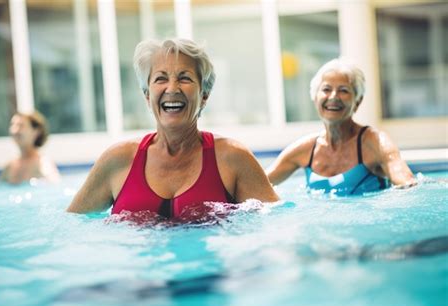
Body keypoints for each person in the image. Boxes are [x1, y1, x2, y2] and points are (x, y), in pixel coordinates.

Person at [67, 38, 279, 219]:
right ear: (147, 96)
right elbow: (71, 227)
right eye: (160, 78)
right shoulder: (117, 160)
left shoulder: (233, 158)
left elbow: (275, 222)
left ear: (204, 95)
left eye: (184, 78)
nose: (172, 88)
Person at [266, 58, 416, 195]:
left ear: (357, 101)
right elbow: (258, 183)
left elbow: (406, 183)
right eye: (326, 89)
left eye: (343, 90)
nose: (333, 97)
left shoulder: (374, 142)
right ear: (315, 97)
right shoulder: (305, 149)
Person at [0, 111, 60, 184]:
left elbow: (54, 186)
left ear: (36, 132)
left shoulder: (43, 164)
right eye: (12, 125)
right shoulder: (9, 167)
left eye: (20, 125)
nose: (14, 131)